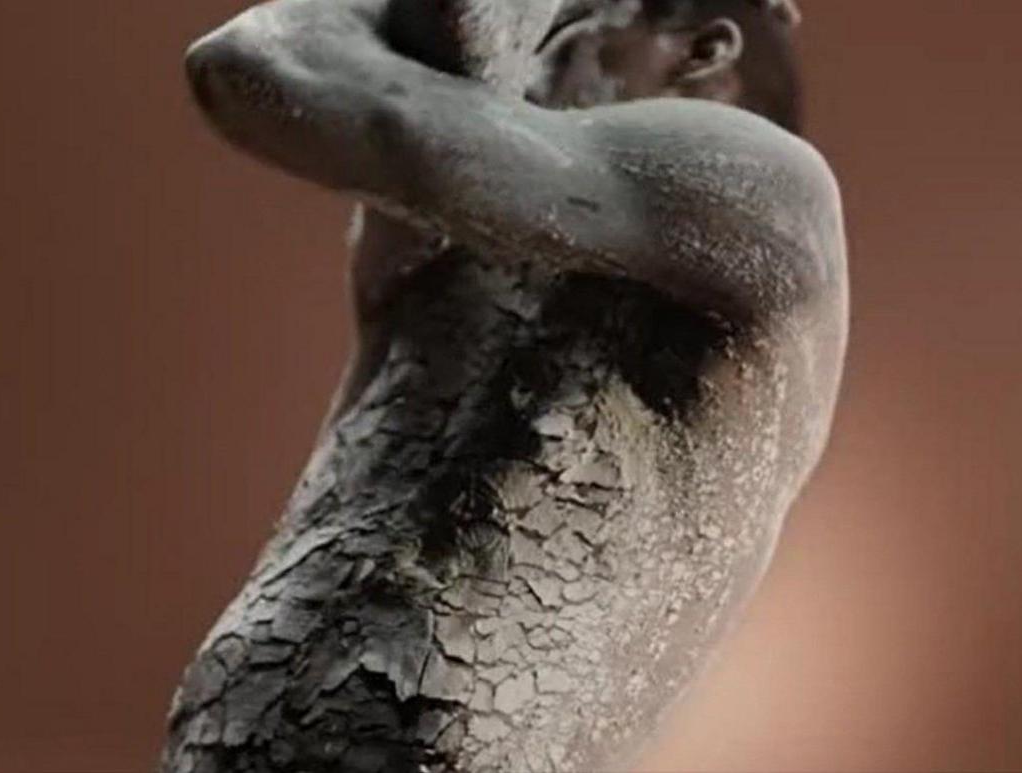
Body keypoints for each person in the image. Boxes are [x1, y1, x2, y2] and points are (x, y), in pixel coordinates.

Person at [166, 0, 846, 770]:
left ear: (702, 49)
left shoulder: (764, 190)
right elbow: (418, 56)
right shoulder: (453, 248)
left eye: (559, 45)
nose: (523, 76)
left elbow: (323, 86)